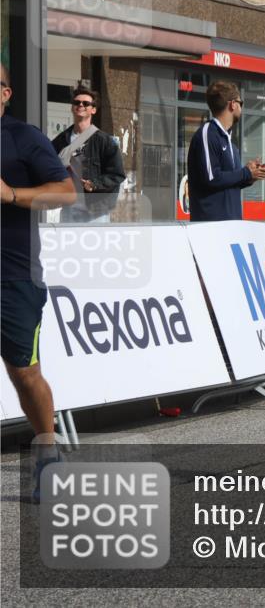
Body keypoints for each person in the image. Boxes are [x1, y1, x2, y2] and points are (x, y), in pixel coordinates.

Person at [0, 64, 78, 501]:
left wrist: (11, 195)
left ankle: (47, 453)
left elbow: (65, 192)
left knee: (24, 373)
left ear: (6, 93)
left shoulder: (22, 137)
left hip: (12, 274)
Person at [186, 81, 265, 221]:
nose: (241, 108)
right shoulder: (208, 133)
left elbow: (227, 182)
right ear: (233, 104)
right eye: (241, 103)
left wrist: (250, 177)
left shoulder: (229, 141)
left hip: (231, 225)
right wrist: (245, 173)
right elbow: (212, 178)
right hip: (211, 226)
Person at [50, 84, 125, 223]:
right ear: (72, 107)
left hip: (96, 212)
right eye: (77, 102)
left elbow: (117, 174)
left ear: (93, 110)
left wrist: (94, 184)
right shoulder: (60, 141)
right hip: (69, 209)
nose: (80, 105)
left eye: (86, 103)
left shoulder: (104, 141)